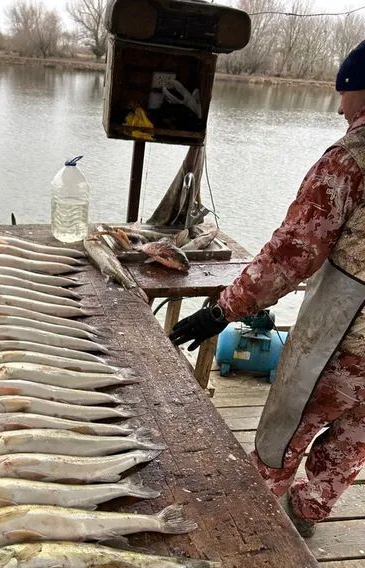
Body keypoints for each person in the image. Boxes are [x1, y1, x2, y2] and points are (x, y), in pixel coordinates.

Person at [170, 40, 365, 538]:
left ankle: (256, 521)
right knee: (354, 437)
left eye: (341, 95)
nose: (339, 109)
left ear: (359, 91)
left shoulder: (349, 160)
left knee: (288, 424)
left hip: (344, 340)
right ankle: (308, 513)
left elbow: (291, 254)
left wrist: (221, 310)